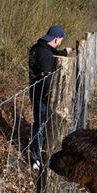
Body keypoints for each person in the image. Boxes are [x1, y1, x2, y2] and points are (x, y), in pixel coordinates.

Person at [28, 25, 72, 169]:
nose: (60, 42)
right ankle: (38, 158)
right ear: (57, 39)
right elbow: (47, 77)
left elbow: (54, 55)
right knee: (40, 124)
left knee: (41, 123)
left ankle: (42, 151)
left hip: (37, 92)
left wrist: (64, 53)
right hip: (43, 95)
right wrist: (53, 96)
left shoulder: (40, 48)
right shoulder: (45, 55)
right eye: (61, 40)